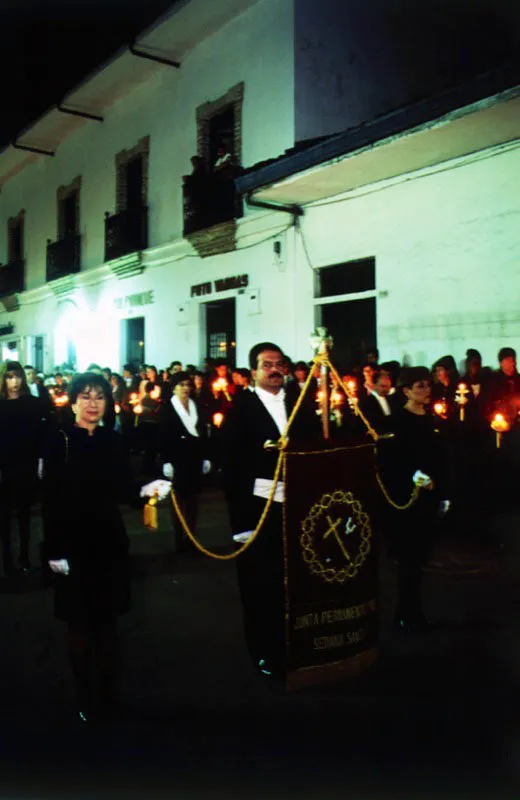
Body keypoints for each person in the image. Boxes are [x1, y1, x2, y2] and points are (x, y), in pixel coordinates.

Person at [41, 372, 170, 723]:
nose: (93, 403)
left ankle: (108, 692)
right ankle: (85, 694)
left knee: (108, 622)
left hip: (108, 541)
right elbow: (51, 498)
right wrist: (54, 551)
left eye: (99, 396)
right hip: (72, 542)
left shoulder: (113, 441)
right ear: (72, 402)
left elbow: (126, 491)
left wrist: (148, 491)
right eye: (85, 396)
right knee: (80, 623)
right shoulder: (59, 441)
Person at [220, 342, 320, 679]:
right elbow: (231, 470)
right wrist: (241, 524)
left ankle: (294, 644)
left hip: (297, 507)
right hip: (258, 508)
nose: (275, 370)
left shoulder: (300, 403)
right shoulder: (241, 409)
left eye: (280, 364)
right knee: (259, 584)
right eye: (267, 365)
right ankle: (263, 650)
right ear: (254, 373)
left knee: (295, 580)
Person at [377, 367, 450, 634]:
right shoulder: (396, 421)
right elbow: (389, 463)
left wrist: (443, 492)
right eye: (419, 386)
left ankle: (412, 613)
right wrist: (414, 476)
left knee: (420, 559)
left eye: (427, 386)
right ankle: (406, 615)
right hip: (407, 502)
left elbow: (441, 459)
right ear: (406, 391)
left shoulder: (431, 419)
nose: (426, 390)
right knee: (409, 560)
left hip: (429, 498)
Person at [0, 361, 47, 576]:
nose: (14, 381)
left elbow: (40, 434)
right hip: (4, 464)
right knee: (3, 516)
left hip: (26, 462)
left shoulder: (33, 403)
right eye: (9, 377)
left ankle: (24, 556)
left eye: (17, 376)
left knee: (25, 513)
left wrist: (40, 460)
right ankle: (6, 560)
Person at [160, 371, 211, 553]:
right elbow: (164, 436)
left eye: (188, 385)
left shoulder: (195, 404)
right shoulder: (167, 407)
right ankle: (178, 538)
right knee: (179, 500)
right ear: (174, 387)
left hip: (195, 458)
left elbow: (203, 431)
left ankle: (191, 538)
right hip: (177, 459)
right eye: (181, 385)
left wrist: (206, 456)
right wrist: (166, 461)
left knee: (194, 500)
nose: (185, 389)